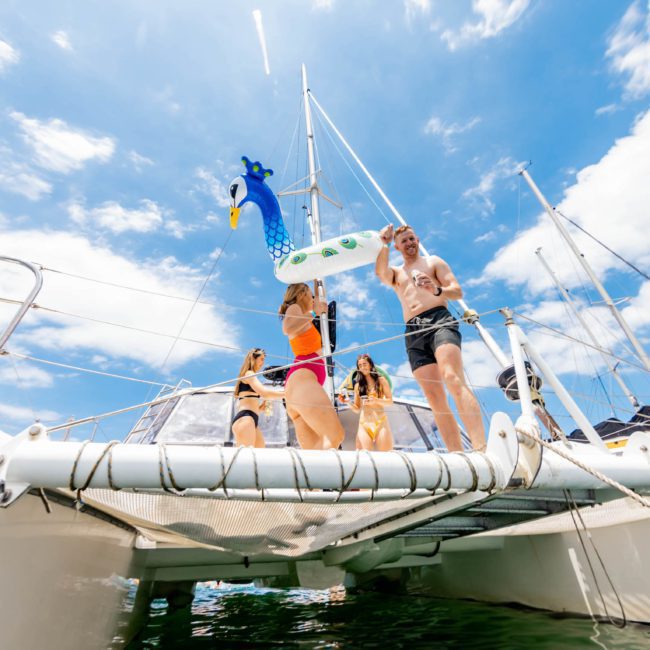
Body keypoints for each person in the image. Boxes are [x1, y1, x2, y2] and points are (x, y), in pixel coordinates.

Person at [375, 223, 485, 452]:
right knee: (434, 396)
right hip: (413, 330)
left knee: (452, 378)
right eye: (404, 241)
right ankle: (458, 455)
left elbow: (457, 291)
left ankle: (481, 448)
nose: (409, 243)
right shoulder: (396, 273)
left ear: (418, 240)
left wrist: (436, 289)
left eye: (412, 239)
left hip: (439, 320)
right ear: (397, 246)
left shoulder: (433, 262)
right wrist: (382, 245)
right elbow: (380, 273)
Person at [279, 282, 345, 450]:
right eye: (310, 294)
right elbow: (287, 328)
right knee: (335, 436)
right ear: (302, 294)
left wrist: (317, 281)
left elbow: (319, 295)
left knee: (317, 450)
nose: (313, 298)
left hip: (298, 387)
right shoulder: (295, 308)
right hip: (303, 380)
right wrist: (314, 313)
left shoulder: (304, 314)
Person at [231, 348, 284, 448]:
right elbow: (265, 393)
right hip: (245, 418)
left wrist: (260, 409)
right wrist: (287, 393)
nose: (263, 363)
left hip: (250, 417)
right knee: (247, 458)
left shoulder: (250, 376)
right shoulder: (249, 373)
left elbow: (252, 403)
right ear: (253, 359)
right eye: (261, 359)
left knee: (259, 456)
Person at [347, 354, 394, 451]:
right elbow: (357, 408)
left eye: (364, 364)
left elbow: (390, 402)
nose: (362, 367)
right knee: (365, 458)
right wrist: (348, 402)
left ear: (370, 365)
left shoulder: (381, 380)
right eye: (360, 365)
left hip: (380, 422)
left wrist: (376, 400)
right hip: (364, 423)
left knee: (385, 456)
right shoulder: (358, 386)